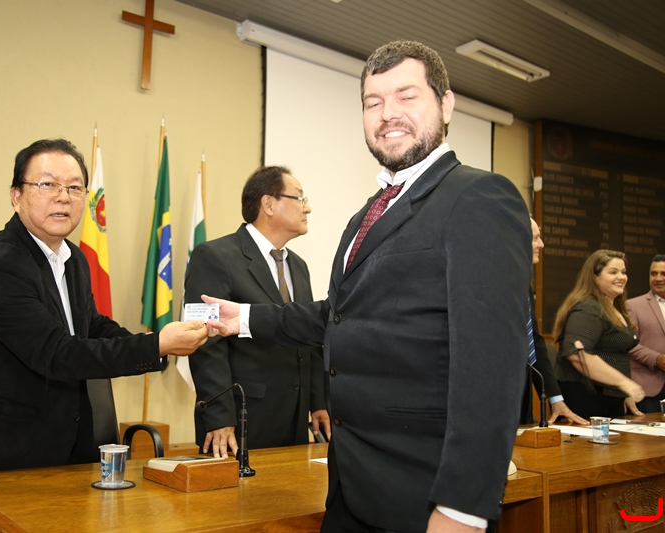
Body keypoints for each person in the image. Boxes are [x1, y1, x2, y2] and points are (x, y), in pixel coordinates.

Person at [203, 41, 532, 532]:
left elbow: (493, 363)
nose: (387, 113)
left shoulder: (479, 195)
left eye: (406, 96)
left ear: (446, 105)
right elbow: (338, 316)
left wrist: (463, 508)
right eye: (373, 102)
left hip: (424, 497)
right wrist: (244, 318)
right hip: (351, 488)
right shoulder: (367, 215)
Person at [0, 138, 207, 475]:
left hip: (66, 448)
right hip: (3, 453)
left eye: (75, 187)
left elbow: (90, 326)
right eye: (47, 184)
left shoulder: (72, 258)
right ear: (16, 196)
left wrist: (157, 341)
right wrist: (157, 345)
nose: (63, 197)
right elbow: (57, 354)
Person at [184, 166, 330, 455]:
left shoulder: (298, 266)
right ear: (268, 204)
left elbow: (308, 337)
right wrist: (219, 416)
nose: (308, 208)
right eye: (300, 198)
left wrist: (319, 402)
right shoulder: (213, 256)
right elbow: (205, 344)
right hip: (241, 419)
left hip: (294, 419)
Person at [553, 249, 644, 419]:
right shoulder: (588, 308)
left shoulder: (615, 307)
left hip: (610, 396)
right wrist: (624, 383)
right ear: (595, 277)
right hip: (588, 396)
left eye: (623, 272)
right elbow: (576, 354)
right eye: (613, 272)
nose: (621, 277)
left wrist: (623, 393)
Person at [523, 218, 587, 426]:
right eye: (535, 238)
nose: (541, 244)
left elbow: (533, 341)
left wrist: (555, 398)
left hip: (521, 403)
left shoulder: (524, 283)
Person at [627, 254, 665, 413]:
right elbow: (629, 344)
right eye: (654, 273)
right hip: (649, 388)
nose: (658, 278)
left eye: (663, 274)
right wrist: (657, 359)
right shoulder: (632, 306)